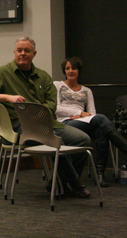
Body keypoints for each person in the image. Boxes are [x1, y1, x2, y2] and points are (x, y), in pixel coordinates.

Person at [0, 36, 92, 198]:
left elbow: (52, 104)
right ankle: (74, 183)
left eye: (27, 51)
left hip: (47, 123)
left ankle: (59, 182)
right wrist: (7, 97)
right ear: (15, 52)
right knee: (58, 141)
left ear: (34, 54)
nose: (22, 53)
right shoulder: (2, 73)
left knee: (83, 139)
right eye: (19, 50)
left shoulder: (43, 77)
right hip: (20, 126)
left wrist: (41, 115)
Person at [54, 56, 127, 187]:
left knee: (101, 131)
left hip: (84, 122)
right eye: (67, 68)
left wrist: (83, 117)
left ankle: (99, 174)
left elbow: (92, 113)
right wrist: (78, 113)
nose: (71, 71)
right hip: (65, 122)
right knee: (101, 119)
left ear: (78, 71)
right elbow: (56, 108)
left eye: (74, 68)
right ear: (64, 71)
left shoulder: (87, 91)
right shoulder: (58, 85)